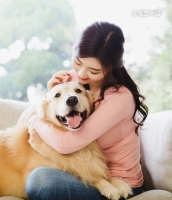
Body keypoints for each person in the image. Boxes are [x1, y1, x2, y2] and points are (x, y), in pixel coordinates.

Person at [17, 21, 149, 200]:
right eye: (78, 62)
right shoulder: (71, 80)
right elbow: (22, 124)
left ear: (111, 67)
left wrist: (35, 120)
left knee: (40, 181)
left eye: (93, 70)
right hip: (79, 173)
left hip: (116, 184)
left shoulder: (120, 97)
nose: (81, 74)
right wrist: (50, 97)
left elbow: (65, 143)